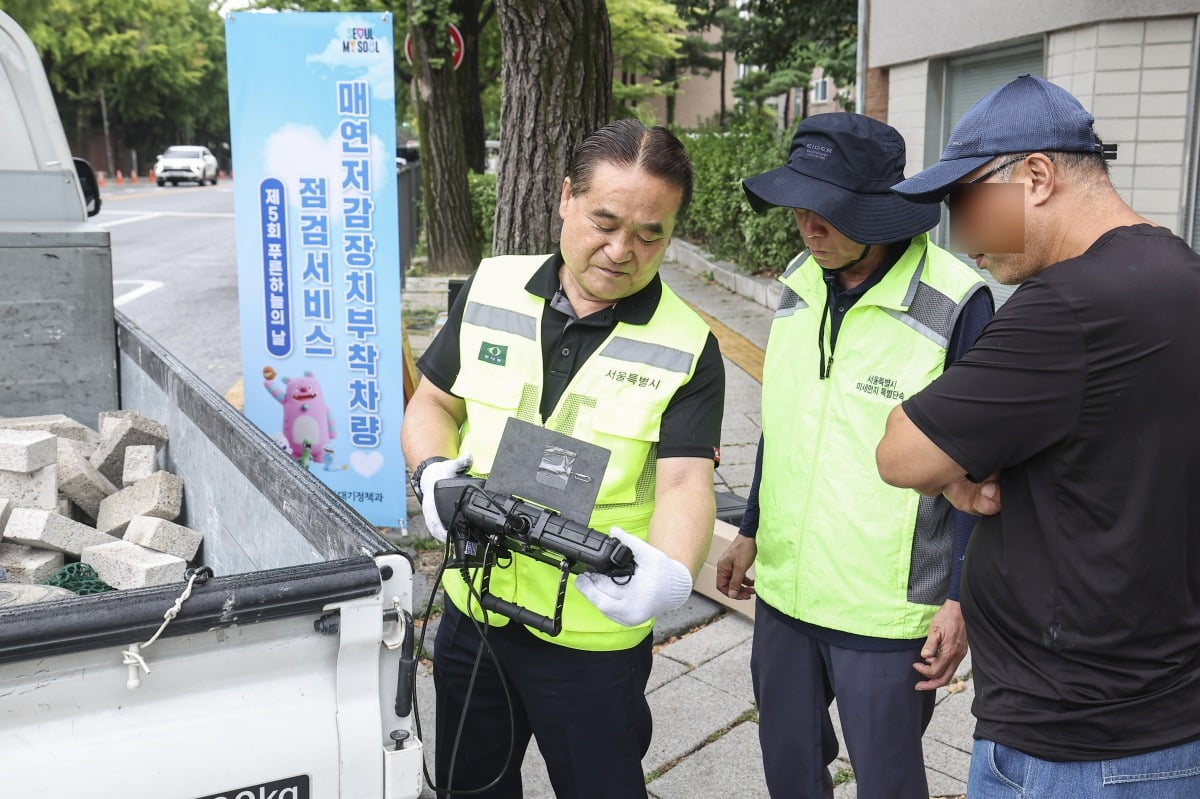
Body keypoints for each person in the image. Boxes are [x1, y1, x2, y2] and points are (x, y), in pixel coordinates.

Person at [878, 74, 1200, 797]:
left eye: (963, 201)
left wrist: (950, 471)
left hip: (1072, 749)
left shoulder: (1068, 306)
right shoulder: (1182, 273)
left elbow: (901, 451)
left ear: (1036, 175)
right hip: (1167, 720)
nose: (960, 235)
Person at [400, 119, 725, 799]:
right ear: (565, 198)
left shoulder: (688, 345)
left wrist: (668, 573)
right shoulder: (489, 288)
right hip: (475, 605)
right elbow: (433, 403)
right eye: (604, 221)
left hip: (591, 631)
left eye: (650, 234)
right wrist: (432, 472)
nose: (620, 250)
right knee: (468, 786)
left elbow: (686, 480)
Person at [715, 112, 994, 799]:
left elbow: (982, 468)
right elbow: (785, 419)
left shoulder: (958, 302)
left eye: (828, 211)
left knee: (889, 783)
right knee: (790, 772)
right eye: (800, 207)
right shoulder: (799, 280)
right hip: (784, 592)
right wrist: (749, 532)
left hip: (885, 612)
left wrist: (960, 596)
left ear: (875, 209)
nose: (808, 225)